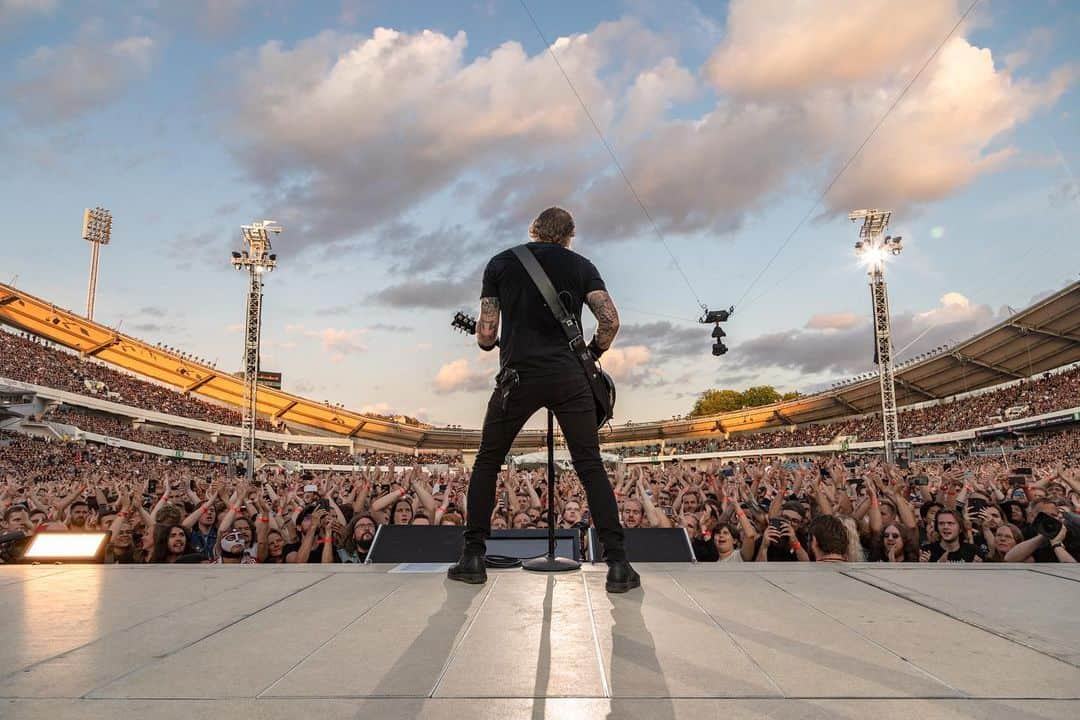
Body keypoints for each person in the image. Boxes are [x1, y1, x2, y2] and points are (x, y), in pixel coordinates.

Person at [448, 206, 637, 593]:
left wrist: (487, 341)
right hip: (571, 378)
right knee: (590, 466)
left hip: (517, 378)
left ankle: (472, 557)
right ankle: (618, 564)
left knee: (487, 462)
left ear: (533, 231)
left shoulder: (501, 263)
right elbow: (610, 321)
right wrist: (593, 354)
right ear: (570, 235)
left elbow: (487, 332)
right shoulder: (582, 265)